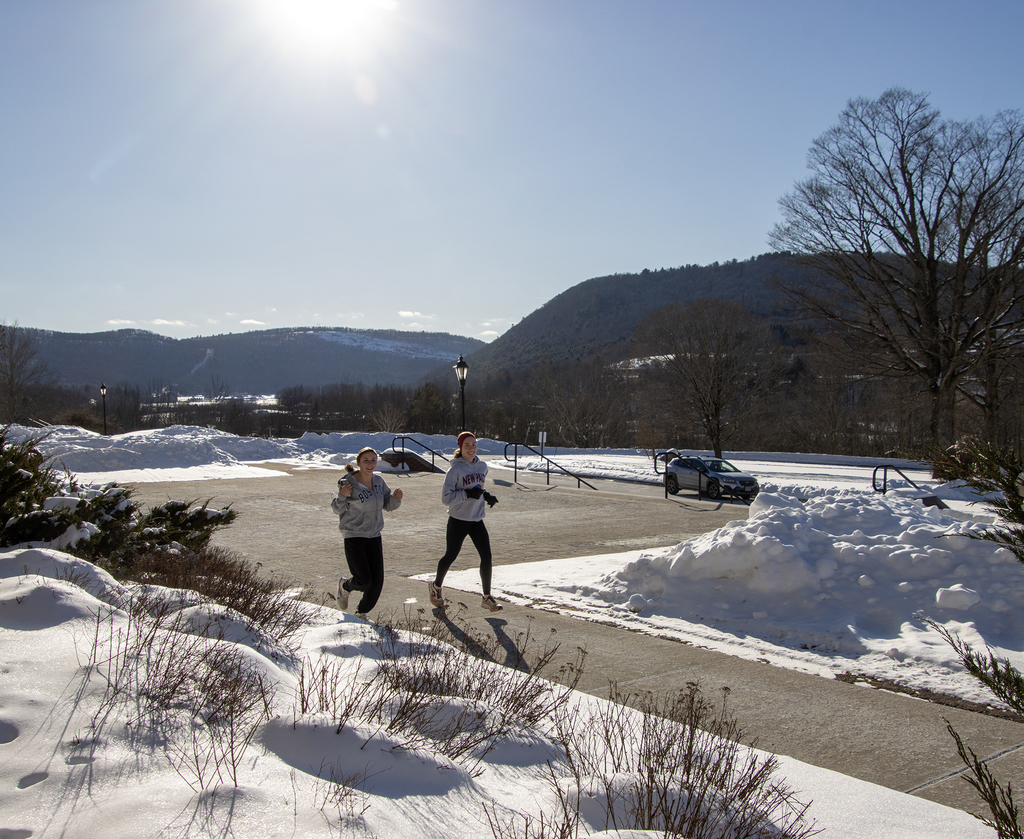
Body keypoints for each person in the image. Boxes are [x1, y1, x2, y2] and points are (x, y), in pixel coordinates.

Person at [428, 431, 501, 612]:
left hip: (476, 519)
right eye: (467, 445)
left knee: (487, 556)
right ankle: (436, 587)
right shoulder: (455, 470)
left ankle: (486, 597)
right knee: (450, 556)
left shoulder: (482, 466)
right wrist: (467, 494)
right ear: (460, 448)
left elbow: (478, 487)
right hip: (458, 520)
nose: (471, 448)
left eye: (474, 444)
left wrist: (486, 495)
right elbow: (446, 498)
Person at [331, 446, 403, 617]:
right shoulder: (347, 482)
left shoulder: (378, 482)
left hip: (374, 536)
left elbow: (386, 504)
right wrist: (341, 495)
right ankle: (345, 587)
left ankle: (361, 613)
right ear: (358, 463)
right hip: (354, 535)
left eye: (373, 460)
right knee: (364, 581)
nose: (370, 464)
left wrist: (396, 499)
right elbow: (336, 509)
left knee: (377, 583)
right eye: (366, 461)